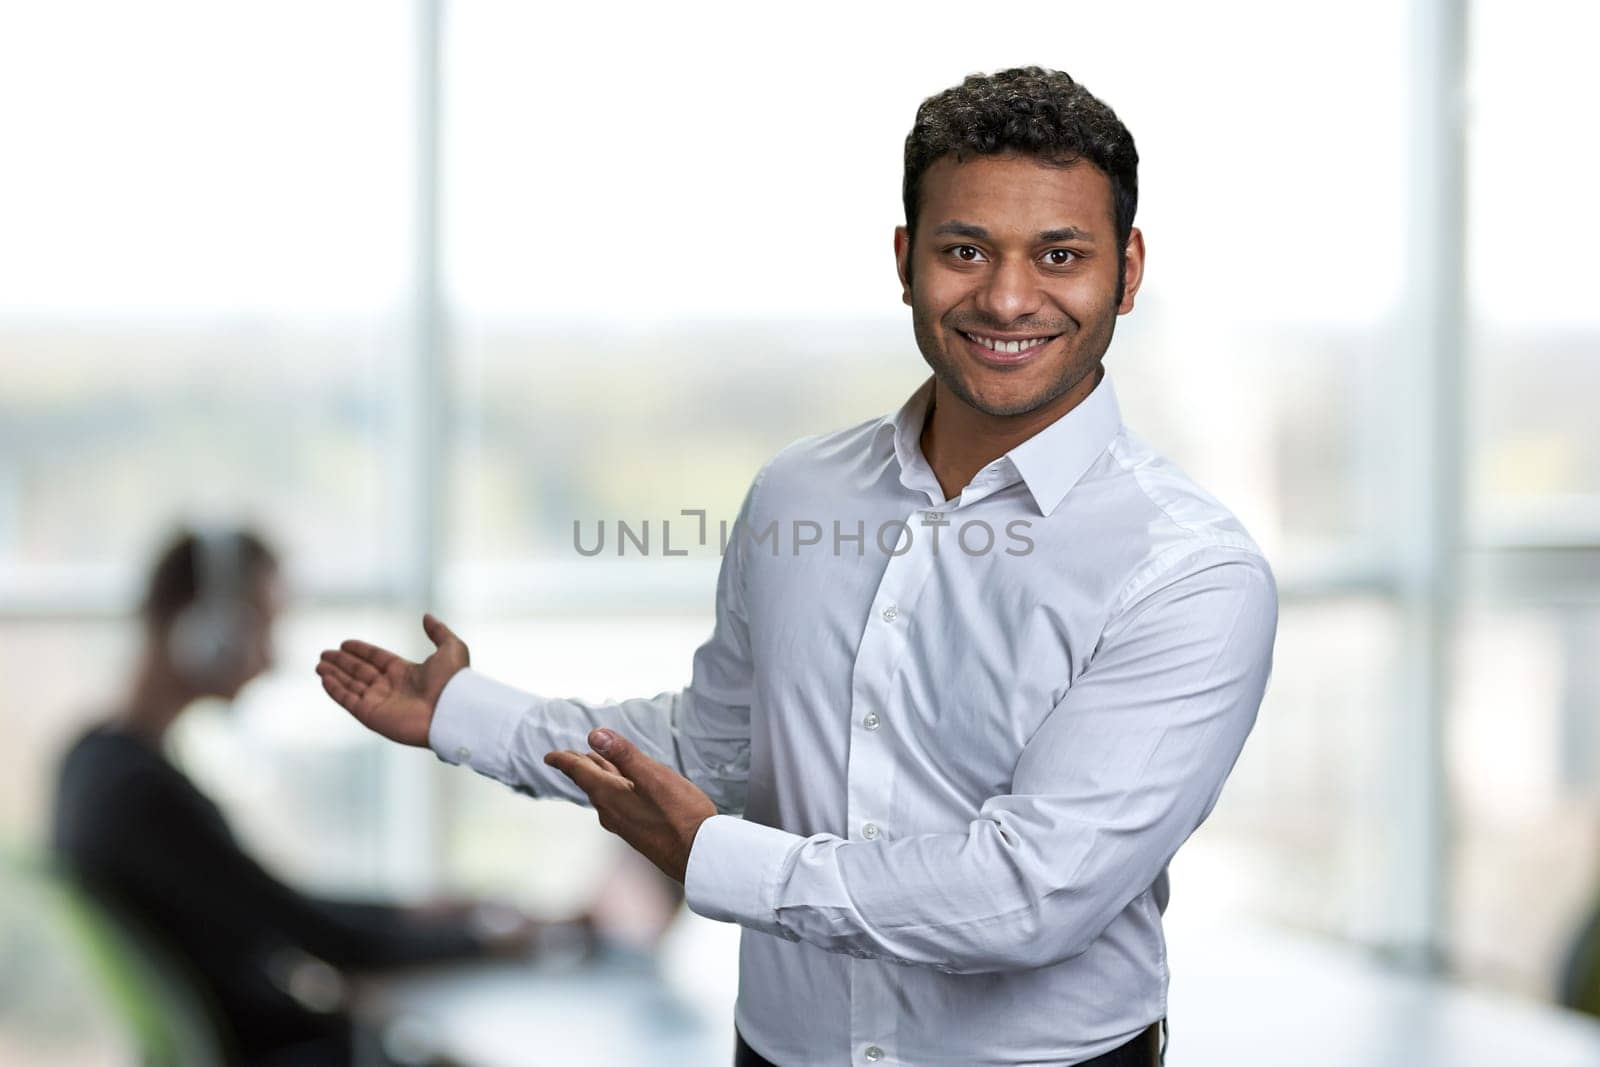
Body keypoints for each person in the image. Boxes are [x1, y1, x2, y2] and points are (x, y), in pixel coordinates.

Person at [317, 67, 1278, 1067]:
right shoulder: (797, 493)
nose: (1005, 294)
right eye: (964, 249)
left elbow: (1029, 893)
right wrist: (468, 714)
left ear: (1125, 269)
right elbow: (726, 744)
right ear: (905, 261)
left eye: (1059, 254)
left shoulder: (1191, 573)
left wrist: (715, 859)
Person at [53, 527, 545, 1066]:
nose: (269, 658)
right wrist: (483, 939)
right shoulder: (140, 795)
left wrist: (416, 914)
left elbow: (272, 902)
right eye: (260, 625)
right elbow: (320, 936)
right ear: (203, 629)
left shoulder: (91, 761)